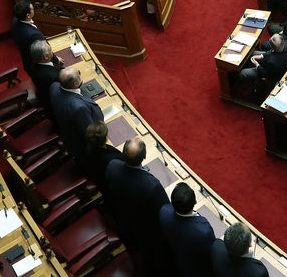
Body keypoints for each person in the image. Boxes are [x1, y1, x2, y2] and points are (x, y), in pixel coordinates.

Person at [105, 137, 171, 273]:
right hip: (144, 233)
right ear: (144, 156)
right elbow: (165, 213)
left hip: (122, 219)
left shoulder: (112, 165)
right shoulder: (152, 186)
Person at [159, 182, 216, 277]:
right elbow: (211, 254)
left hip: (174, 261)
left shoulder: (164, 212)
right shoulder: (203, 231)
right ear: (195, 202)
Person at [48, 66, 104, 159]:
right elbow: (90, 133)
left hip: (65, 128)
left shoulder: (54, 86)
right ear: (75, 84)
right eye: (79, 75)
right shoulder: (79, 108)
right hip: (80, 146)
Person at [11, 0, 44, 69]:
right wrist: (56, 59)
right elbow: (43, 51)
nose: (33, 8)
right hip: (36, 64)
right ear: (28, 15)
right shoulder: (34, 35)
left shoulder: (15, 20)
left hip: (26, 59)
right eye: (32, 9)